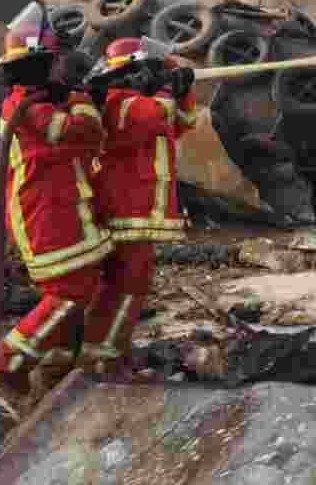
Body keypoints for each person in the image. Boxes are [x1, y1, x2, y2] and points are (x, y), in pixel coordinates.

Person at [0, 2, 112, 407]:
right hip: (45, 215)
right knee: (68, 293)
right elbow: (80, 132)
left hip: (64, 209)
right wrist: (81, 98)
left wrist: (76, 95)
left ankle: (57, 366)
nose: (65, 68)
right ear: (39, 65)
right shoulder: (24, 105)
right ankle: (8, 364)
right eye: (59, 62)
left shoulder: (40, 99)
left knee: (82, 287)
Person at [78, 37, 196, 378]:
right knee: (127, 285)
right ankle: (106, 357)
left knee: (126, 285)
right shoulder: (118, 100)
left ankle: (111, 349)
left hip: (141, 211)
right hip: (127, 210)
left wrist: (182, 85)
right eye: (153, 68)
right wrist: (165, 89)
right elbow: (156, 115)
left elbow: (183, 122)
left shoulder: (143, 99)